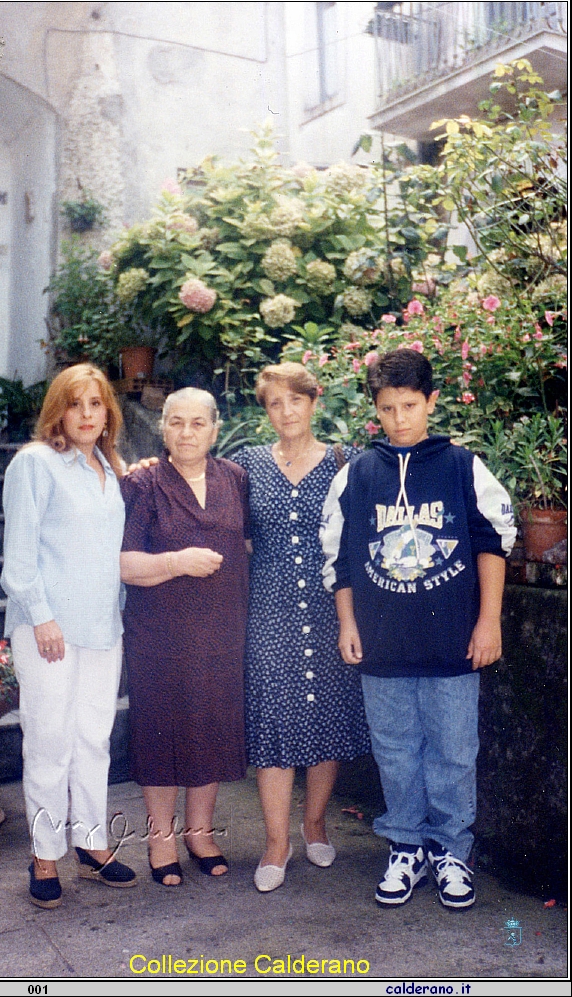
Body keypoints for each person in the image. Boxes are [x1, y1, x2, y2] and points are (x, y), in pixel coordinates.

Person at [321, 348, 516, 909]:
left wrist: (489, 622)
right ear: (374, 411)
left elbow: (494, 542)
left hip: (453, 643)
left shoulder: (461, 467)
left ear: (431, 401)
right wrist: (347, 624)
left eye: (410, 405)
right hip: (383, 644)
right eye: (387, 408)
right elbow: (339, 556)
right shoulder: (357, 474)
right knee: (396, 750)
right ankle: (405, 846)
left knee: (454, 751)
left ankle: (452, 850)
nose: (400, 419)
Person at [0, 364, 137, 909]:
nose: (86, 415)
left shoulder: (109, 466)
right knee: (50, 740)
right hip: (48, 631)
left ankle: (92, 843)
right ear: (58, 410)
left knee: (92, 739)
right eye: (75, 404)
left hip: (104, 626)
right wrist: (41, 615)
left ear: (109, 413)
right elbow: (19, 555)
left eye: (96, 404)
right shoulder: (35, 463)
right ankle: (45, 852)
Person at [232, 363, 371, 893]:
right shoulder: (246, 465)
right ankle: (275, 842)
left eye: (296, 400)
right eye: (274, 404)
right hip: (267, 612)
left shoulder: (345, 462)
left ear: (315, 401)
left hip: (332, 608)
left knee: (326, 716)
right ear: (265, 411)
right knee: (273, 720)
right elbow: (205, 494)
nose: (286, 412)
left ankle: (314, 824)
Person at [120, 388, 250, 886]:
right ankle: (161, 840)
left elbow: (250, 544)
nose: (187, 432)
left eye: (199, 423)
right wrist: (177, 563)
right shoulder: (143, 483)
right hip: (160, 635)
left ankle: (200, 833)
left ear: (215, 429)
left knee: (210, 728)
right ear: (163, 427)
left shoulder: (235, 479)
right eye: (177, 422)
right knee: (161, 733)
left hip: (221, 631)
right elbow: (125, 565)